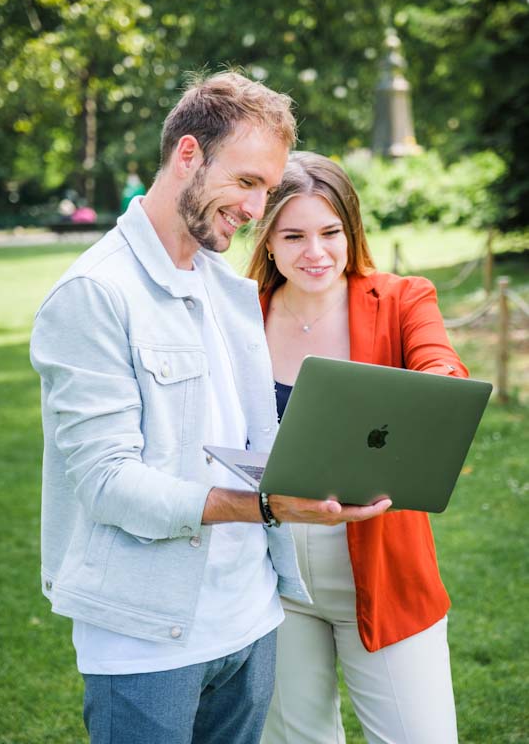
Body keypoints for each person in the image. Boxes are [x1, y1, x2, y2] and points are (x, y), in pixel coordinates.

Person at [30, 74, 390, 744]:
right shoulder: (93, 294)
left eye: (268, 189)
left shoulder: (227, 289)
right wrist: (263, 505)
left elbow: (254, 439)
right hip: (146, 641)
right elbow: (109, 485)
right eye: (248, 182)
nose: (258, 209)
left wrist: (336, 460)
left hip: (250, 621)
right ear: (188, 154)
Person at [247, 151, 467, 744]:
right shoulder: (239, 311)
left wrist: (437, 388)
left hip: (384, 564)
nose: (314, 252)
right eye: (293, 235)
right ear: (267, 240)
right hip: (270, 573)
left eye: (329, 232)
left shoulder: (401, 298)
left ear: (352, 230)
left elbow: (438, 360)